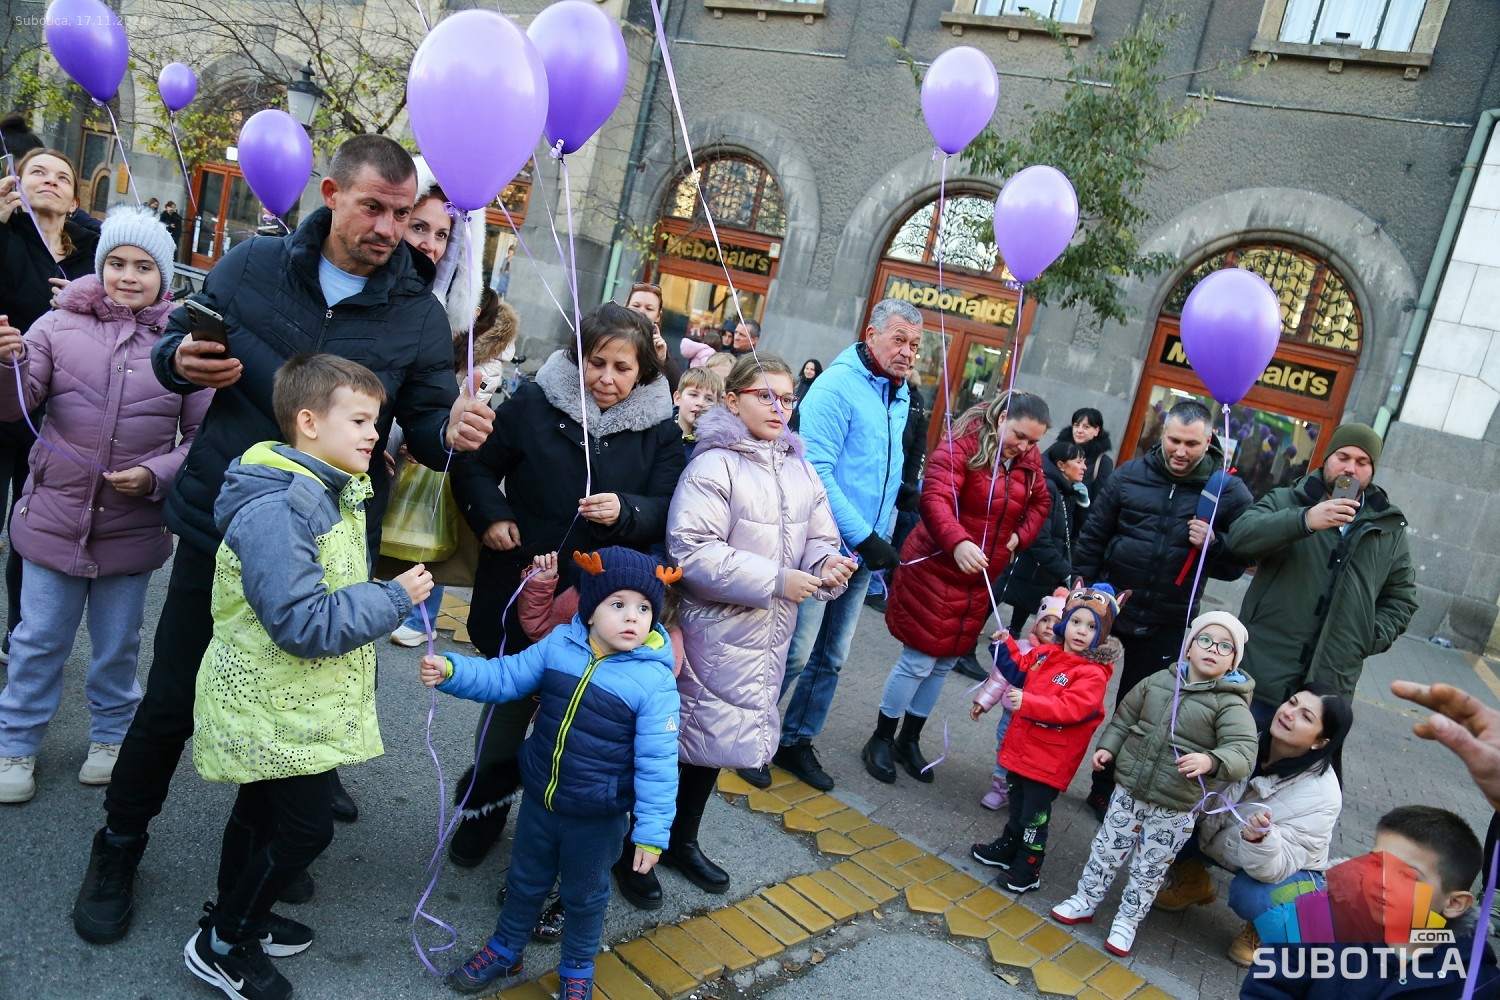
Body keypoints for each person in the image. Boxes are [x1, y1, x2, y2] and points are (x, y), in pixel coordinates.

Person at [70, 134, 494, 946]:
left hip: (329, 547)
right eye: (373, 207)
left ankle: (247, 881)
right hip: (223, 525)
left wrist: (453, 432)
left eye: (402, 213)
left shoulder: (415, 311)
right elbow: (175, 343)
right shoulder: (252, 265)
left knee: (288, 712)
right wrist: (180, 361)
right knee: (170, 703)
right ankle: (118, 845)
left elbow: (427, 424)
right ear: (331, 194)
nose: (389, 228)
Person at [185, 354, 434, 1000]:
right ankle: (225, 941)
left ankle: (237, 913)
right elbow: (301, 621)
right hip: (272, 698)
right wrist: (394, 598)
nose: (374, 434)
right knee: (305, 828)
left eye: (375, 421)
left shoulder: (324, 488)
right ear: (308, 422)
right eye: (360, 420)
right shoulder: (281, 507)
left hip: (290, 700)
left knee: (260, 814)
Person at [447, 302, 685, 875]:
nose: (606, 378)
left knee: (583, 725)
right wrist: (494, 517)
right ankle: (484, 810)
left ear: (643, 371)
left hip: (605, 603)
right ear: (578, 359)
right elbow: (475, 466)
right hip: (525, 583)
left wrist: (627, 510)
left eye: (622, 368)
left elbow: (669, 507)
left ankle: (554, 831)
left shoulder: (660, 429)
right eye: (596, 362)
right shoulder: (534, 402)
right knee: (509, 706)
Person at [0, 207, 207, 803]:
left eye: (144, 266)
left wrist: (155, 475)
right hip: (53, 516)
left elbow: (201, 439)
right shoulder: (54, 325)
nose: (128, 276)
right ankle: (16, 743)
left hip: (132, 528)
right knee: (38, 639)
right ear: (99, 265)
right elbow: (17, 405)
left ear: (164, 277)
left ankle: (112, 737)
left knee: (119, 645)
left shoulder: (182, 345)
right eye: (116, 262)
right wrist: (7, 364)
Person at [421, 547, 680, 1000]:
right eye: (618, 604)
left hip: (598, 815)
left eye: (644, 608)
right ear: (591, 608)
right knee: (524, 881)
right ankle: (506, 948)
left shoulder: (653, 680)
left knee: (585, 895)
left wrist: (652, 833)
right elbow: (506, 676)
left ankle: (577, 968)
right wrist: (452, 669)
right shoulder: (561, 644)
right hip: (542, 799)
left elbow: (659, 763)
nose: (632, 617)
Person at [667, 354, 856, 900]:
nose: (779, 408)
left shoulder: (798, 465)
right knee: (677, 742)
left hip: (766, 634)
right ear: (733, 400)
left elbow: (819, 534)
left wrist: (827, 564)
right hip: (711, 631)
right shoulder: (713, 465)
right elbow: (691, 551)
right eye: (765, 396)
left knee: (715, 743)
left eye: (787, 398)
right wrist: (776, 579)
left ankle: (682, 841)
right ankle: (638, 846)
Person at [735, 298, 918, 793]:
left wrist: (900, 497)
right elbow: (815, 470)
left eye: (915, 345)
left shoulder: (899, 393)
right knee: (795, 651)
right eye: (899, 339)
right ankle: (748, 737)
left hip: (863, 551)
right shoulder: (837, 386)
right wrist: (865, 536)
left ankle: (795, 740)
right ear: (871, 335)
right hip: (822, 545)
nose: (908, 352)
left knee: (831, 657)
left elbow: (874, 463)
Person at [1073, 398, 1255, 818]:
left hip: (1168, 620)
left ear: (1209, 441)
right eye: (1174, 440)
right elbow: (1093, 535)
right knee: (1076, 695)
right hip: (1109, 610)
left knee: (1140, 710)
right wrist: (1079, 591)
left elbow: (1238, 563)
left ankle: (1107, 790)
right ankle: (1044, 774)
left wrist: (1215, 545)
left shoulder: (1228, 491)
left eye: (1191, 444)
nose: (1180, 451)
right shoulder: (1130, 474)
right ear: (1162, 434)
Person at [864, 392, 1051, 785]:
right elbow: (934, 500)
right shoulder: (961, 445)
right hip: (935, 566)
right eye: (1019, 436)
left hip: (978, 579)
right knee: (918, 660)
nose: (1024, 447)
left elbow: (1040, 503)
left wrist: (1020, 536)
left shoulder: (1028, 460)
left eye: (1034, 441)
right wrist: (958, 542)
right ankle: (881, 737)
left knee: (945, 662)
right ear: (1001, 418)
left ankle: (908, 739)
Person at [1050, 611, 1259, 956]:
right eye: (1205, 640)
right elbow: (1125, 717)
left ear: (1233, 661)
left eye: (1225, 647)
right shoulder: (1159, 681)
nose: (1213, 649)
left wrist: (1211, 760)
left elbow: (1243, 752)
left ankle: (1127, 921)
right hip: (1130, 789)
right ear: (1189, 647)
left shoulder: (1230, 704)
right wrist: (1108, 747)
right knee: (1106, 849)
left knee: (1150, 868)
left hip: (1176, 805)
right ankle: (1085, 898)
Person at [1226, 424, 1416, 726]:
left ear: (1372, 471)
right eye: (1343, 457)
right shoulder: (1287, 500)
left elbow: (1402, 597)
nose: (1350, 468)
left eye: (1362, 462)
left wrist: (1365, 637)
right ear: (1327, 458)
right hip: (1261, 674)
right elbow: (1239, 538)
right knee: (1239, 752)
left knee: (1300, 758)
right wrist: (1305, 520)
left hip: (1327, 690)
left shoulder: (1387, 527)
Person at [1153, 682, 1351, 966]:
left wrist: (1262, 840)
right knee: (1164, 816)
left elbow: (1277, 866)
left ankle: (1268, 929)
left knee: (1251, 897)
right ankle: (1192, 880)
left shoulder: (1323, 794)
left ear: (1320, 742)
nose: (1289, 713)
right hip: (1222, 838)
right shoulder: (1245, 738)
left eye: (1306, 716)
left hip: (1282, 868)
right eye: (1292, 702)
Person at [387, 166, 497, 649]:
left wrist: (447, 429)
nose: (430, 244)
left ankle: (419, 618)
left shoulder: (432, 320)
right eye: (419, 226)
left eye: (442, 235)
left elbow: (422, 408)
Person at [0, 149, 102, 662]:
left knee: (32, 532)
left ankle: (20, 635)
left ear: (74, 200)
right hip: (0, 397)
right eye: (37, 172)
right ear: (16, 184)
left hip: (53, 411)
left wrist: (90, 299)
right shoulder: (7, 234)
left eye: (62, 176)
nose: (50, 181)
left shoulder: (91, 257)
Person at [1243, 806, 1497, 999]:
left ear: (1454, 903)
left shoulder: (1475, 980)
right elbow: (1265, 990)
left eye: (1408, 876)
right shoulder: (1316, 923)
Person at [970, 583, 1123, 893]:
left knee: (1035, 815)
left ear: (1102, 634)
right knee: (1017, 802)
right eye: (1076, 621)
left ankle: (1030, 864)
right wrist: (1005, 646)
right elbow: (1020, 670)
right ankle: (1010, 845)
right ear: (1065, 622)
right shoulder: (1046, 653)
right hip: (1023, 749)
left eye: (1092, 627)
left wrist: (1029, 702)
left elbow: (1072, 708)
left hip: (1050, 759)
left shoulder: (1093, 673)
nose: (1081, 631)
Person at [977, 590, 1066, 811]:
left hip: (1038, 721)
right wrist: (983, 701)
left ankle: (1020, 790)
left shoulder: (1062, 659)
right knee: (1004, 749)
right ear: (1036, 622)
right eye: (1045, 620)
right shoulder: (1021, 647)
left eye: (1057, 622)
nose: (1049, 627)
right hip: (1010, 716)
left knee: (1028, 756)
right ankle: (1000, 788)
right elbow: (1000, 678)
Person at [996, 438, 1088, 635]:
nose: (1084, 467)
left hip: (1040, 568)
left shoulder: (1065, 491)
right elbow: (1039, 537)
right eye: (1079, 462)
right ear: (1061, 465)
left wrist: (1083, 505)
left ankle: (1012, 635)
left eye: (1084, 462)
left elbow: (1071, 533)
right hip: (1026, 562)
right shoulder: (1049, 487)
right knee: (997, 596)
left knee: (1022, 606)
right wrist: (1064, 570)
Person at [624, 281, 682, 393]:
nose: (641, 312)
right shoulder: (608, 335)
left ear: (658, 316)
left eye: (649, 309)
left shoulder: (660, 349)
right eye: (636, 306)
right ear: (626, 307)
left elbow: (679, 391)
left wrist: (662, 360)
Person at [1056, 407, 1114, 509]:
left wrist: (1084, 501)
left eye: (1086, 427)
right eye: (1076, 425)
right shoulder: (1059, 450)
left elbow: (1099, 503)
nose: (1079, 430)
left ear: (1096, 430)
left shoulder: (1103, 462)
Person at [671, 365, 722, 464]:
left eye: (709, 399)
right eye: (693, 395)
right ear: (677, 398)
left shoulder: (715, 444)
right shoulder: (660, 433)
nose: (700, 403)